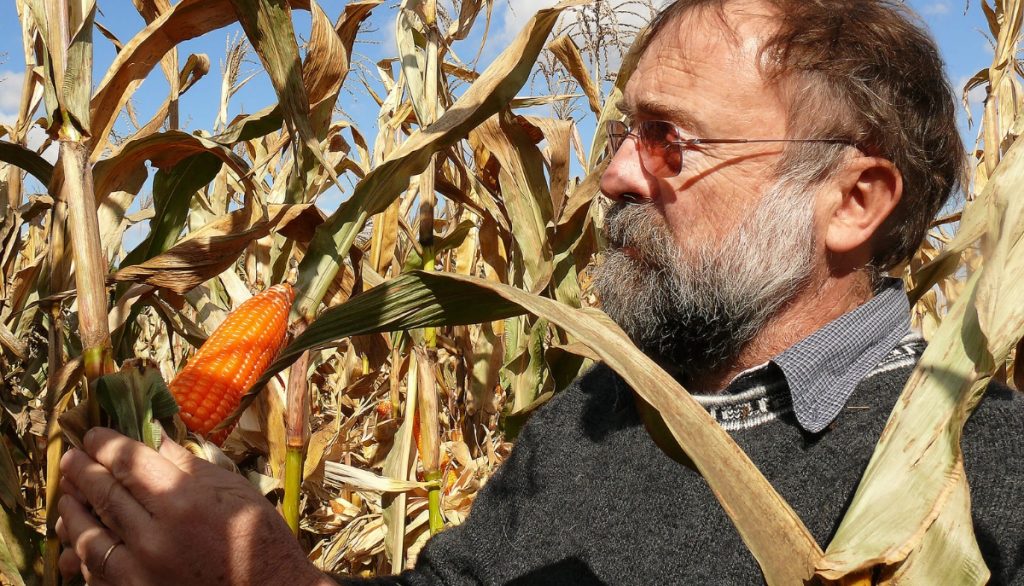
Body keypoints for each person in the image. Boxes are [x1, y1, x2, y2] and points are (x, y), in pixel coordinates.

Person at [57, 0, 1024, 584]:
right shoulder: (588, 422)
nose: (612, 179)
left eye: (670, 141)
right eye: (620, 133)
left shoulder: (989, 483)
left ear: (852, 200)